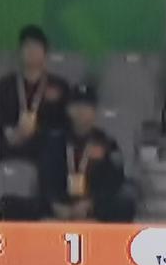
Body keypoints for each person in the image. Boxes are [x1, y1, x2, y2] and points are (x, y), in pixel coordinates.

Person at [38, 83, 135, 223]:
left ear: (94, 112)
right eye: (77, 106)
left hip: (93, 206)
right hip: (62, 203)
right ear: (68, 110)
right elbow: (45, 177)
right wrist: (56, 204)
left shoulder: (106, 143)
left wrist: (91, 203)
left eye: (86, 107)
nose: (81, 111)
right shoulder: (55, 142)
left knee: (125, 203)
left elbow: (114, 180)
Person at [0, 25, 71, 163]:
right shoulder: (4, 86)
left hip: (42, 149)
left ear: (45, 53)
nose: (32, 51)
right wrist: (13, 134)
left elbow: (64, 125)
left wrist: (36, 131)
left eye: (36, 47)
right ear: (19, 52)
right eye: (27, 47)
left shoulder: (60, 87)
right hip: (9, 146)